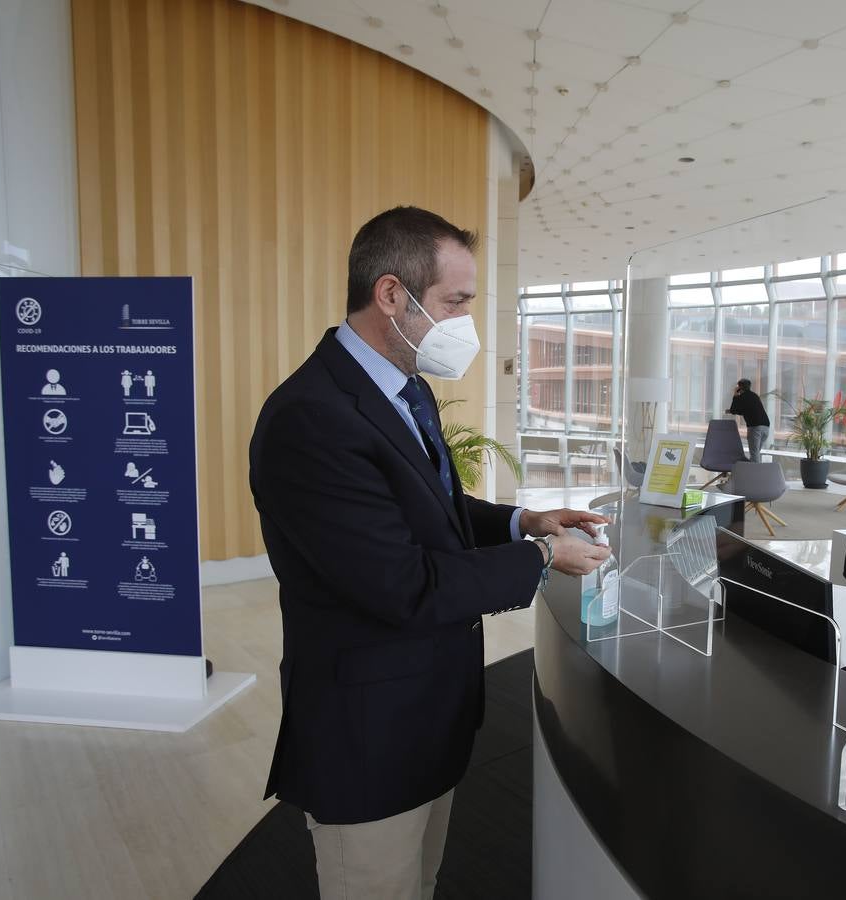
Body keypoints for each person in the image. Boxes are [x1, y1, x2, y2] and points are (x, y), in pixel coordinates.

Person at [249, 206, 610, 898]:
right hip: (369, 737)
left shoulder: (404, 389)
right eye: (455, 303)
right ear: (393, 295)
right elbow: (401, 582)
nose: (465, 325)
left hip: (425, 716)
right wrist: (540, 558)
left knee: (422, 883)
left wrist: (521, 520)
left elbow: (433, 514)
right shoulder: (312, 419)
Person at [726, 378, 770, 462]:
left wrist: (735, 394)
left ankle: (755, 474)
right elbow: (746, 410)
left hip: (755, 427)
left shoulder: (741, 397)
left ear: (739, 387)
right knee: (755, 453)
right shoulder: (754, 395)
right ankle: (752, 471)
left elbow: (734, 410)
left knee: (754, 455)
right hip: (766, 426)